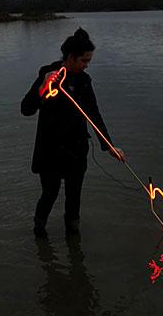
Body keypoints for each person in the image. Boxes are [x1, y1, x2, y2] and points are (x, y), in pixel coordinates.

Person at [21, 27, 124, 236]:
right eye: (83, 61)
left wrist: (109, 146)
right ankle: (39, 231)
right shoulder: (48, 75)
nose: (86, 66)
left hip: (76, 151)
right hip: (50, 151)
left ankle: (73, 240)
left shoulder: (84, 81)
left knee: (74, 197)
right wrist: (43, 87)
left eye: (88, 62)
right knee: (49, 193)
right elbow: (26, 109)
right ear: (70, 57)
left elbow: (94, 114)